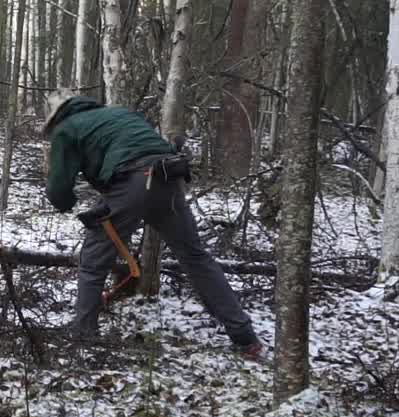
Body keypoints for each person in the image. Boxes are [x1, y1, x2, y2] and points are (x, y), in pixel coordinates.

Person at [42, 90, 264, 359]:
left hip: (134, 181)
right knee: (195, 257)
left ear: (56, 117)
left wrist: (65, 203)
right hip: (168, 177)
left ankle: (83, 339)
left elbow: (59, 188)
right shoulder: (117, 114)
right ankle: (244, 336)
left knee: (93, 260)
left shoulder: (67, 128)